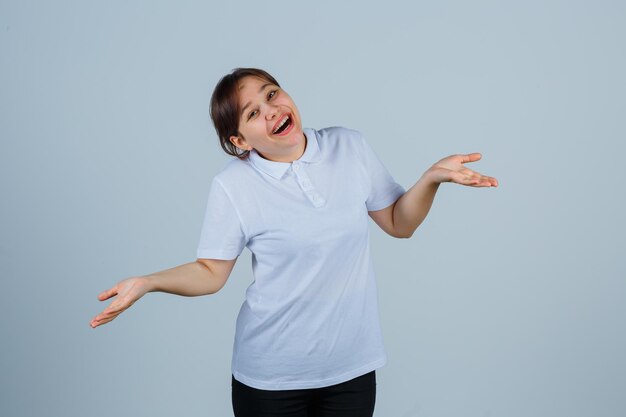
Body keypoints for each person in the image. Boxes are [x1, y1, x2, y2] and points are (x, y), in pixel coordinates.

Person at [90, 67, 498, 417]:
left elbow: (398, 222)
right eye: (253, 112)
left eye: (272, 94)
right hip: (270, 379)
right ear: (240, 142)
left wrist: (430, 179)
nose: (272, 109)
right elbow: (211, 273)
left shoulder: (349, 146)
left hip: (351, 370)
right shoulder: (233, 186)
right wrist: (148, 282)